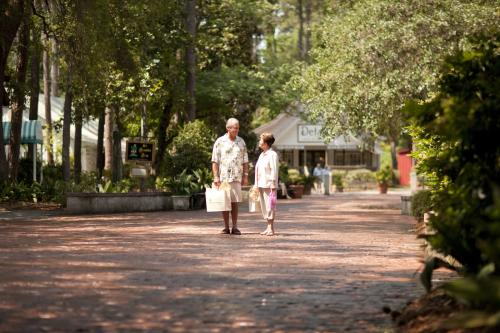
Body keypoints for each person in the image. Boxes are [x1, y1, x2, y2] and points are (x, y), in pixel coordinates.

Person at [211, 118, 249, 235]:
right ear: (228, 128)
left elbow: (245, 161)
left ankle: (235, 226)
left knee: (235, 202)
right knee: (224, 202)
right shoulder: (220, 141)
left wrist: (245, 176)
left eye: (238, 128)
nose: (236, 130)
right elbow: (215, 161)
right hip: (224, 178)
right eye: (234, 128)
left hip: (236, 177)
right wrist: (216, 177)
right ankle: (226, 227)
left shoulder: (241, 142)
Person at [255, 132, 279, 236]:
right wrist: (256, 184)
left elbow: (274, 169)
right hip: (261, 184)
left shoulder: (272, 155)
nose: (259, 142)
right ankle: (268, 227)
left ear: (266, 143)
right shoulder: (262, 154)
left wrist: (273, 183)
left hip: (269, 185)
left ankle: (271, 228)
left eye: (261, 140)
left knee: (270, 206)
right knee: (264, 206)